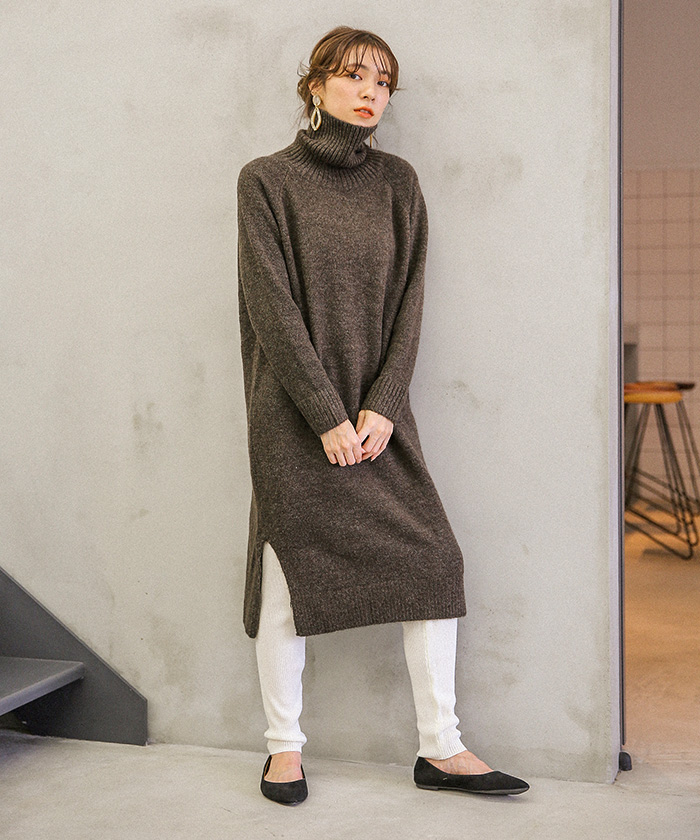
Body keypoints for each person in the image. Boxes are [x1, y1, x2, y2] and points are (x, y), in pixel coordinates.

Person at [237, 26, 529, 806]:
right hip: (294, 417)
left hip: (378, 419)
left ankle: (442, 749)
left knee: (434, 565)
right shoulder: (265, 181)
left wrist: (381, 407)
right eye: (354, 76)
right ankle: (283, 750)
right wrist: (326, 415)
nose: (371, 92)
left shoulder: (399, 183)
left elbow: (410, 304)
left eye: (384, 82)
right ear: (315, 86)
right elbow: (272, 310)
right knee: (288, 583)